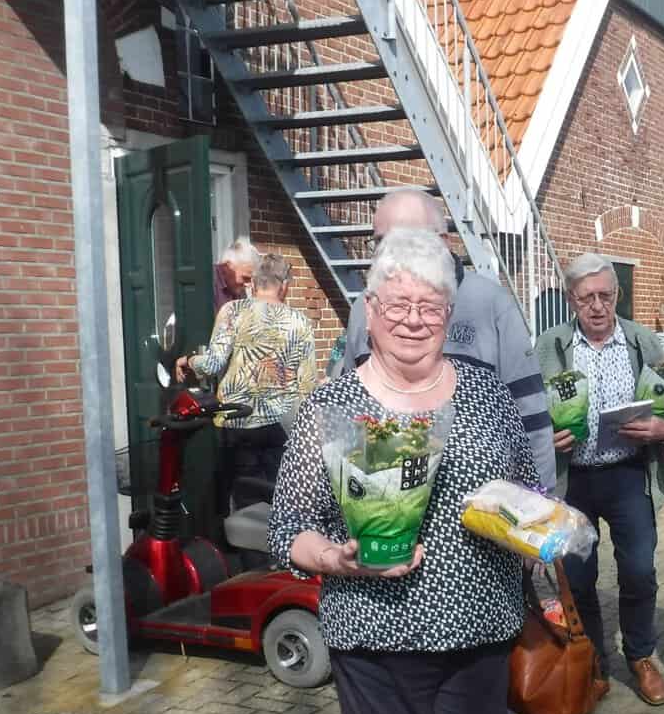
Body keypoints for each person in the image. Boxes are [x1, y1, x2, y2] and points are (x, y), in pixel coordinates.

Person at [268, 229, 533, 714]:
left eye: (432, 305)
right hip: (375, 633)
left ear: (449, 314)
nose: (415, 318)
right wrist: (338, 558)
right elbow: (287, 529)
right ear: (371, 308)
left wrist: (538, 522)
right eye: (400, 303)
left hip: (480, 627)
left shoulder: (482, 388)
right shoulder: (333, 405)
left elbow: (521, 482)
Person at [342, 190, 556, 490]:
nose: (385, 254)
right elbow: (346, 412)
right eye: (378, 242)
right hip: (385, 512)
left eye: (401, 242)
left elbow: (531, 422)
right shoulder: (362, 311)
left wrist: (538, 506)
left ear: (443, 242)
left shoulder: (492, 305)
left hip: (479, 516)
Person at [535, 253, 664, 706]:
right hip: (572, 482)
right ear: (571, 300)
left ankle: (641, 655)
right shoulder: (550, 347)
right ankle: (594, 659)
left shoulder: (642, 343)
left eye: (606, 296)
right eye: (586, 298)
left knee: (639, 572)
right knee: (578, 578)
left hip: (629, 475)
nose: (597, 306)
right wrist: (544, 436)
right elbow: (528, 410)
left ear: (617, 295)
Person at [176, 252, 316, 514]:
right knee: (274, 498)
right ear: (284, 285)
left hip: (234, 421)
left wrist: (188, 360)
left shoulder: (234, 311)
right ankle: (273, 549)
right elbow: (307, 387)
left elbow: (213, 364)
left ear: (254, 283)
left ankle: (234, 549)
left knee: (234, 497)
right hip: (276, 424)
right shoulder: (301, 323)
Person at [214, 237, 260, 313]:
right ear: (227, 267)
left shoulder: (238, 289)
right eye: (245, 278)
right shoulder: (208, 282)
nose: (249, 285)